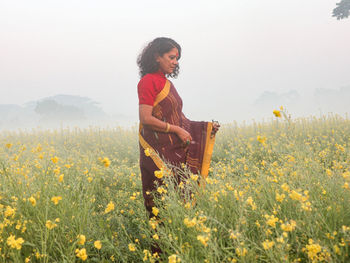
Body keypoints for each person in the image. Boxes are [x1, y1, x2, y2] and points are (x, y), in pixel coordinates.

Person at [137, 37, 220, 217]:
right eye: (171, 57)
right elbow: (145, 118)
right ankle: (158, 245)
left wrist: (205, 128)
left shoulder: (167, 83)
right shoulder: (148, 81)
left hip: (173, 150)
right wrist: (176, 130)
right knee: (161, 204)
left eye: (177, 59)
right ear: (157, 56)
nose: (175, 62)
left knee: (177, 206)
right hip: (157, 153)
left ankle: (178, 241)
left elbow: (179, 120)